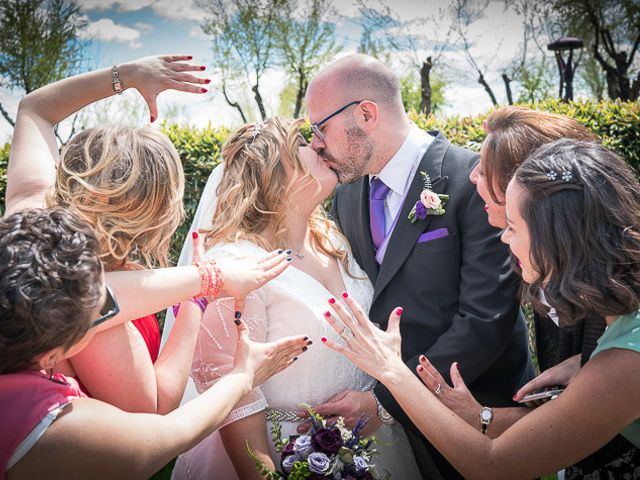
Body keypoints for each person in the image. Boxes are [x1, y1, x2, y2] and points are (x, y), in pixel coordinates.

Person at [321, 139, 640, 479]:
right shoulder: (619, 326)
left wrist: (393, 373)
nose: (504, 239)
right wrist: (484, 416)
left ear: (558, 239)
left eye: (513, 228)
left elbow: (493, 464)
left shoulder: (626, 359)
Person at [304, 53, 533, 478]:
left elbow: (486, 318)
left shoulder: (472, 180)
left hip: (481, 413)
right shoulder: (347, 194)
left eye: (321, 127)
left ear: (366, 114)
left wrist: (389, 400)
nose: (316, 142)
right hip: (390, 435)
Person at [4, 54, 266, 414]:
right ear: (154, 214)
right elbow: (155, 409)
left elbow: (35, 109)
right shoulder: (89, 316)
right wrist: (200, 296)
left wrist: (127, 75)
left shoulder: (30, 212)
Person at [169, 118, 421, 479]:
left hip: (374, 447)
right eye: (303, 141)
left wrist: (378, 407)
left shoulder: (336, 243)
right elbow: (231, 394)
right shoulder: (235, 265)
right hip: (283, 452)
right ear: (274, 169)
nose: (320, 144)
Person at [0, 207, 310, 480]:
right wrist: (243, 376)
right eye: (102, 313)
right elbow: (169, 434)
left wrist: (203, 284)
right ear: (53, 353)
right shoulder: (52, 426)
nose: (111, 304)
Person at [468, 106, 638, 477]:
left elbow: (495, 462)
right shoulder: (556, 256)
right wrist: (585, 364)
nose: (472, 177)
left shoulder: (605, 288)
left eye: (484, 170)